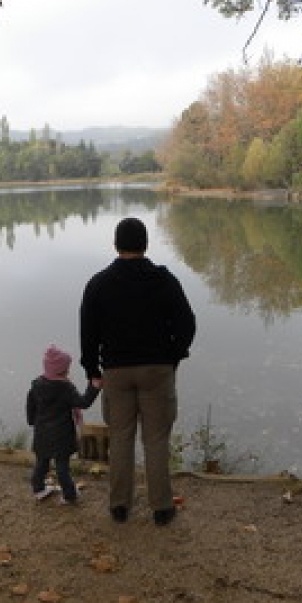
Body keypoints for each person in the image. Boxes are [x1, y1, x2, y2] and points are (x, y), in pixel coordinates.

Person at [79, 217, 196, 526]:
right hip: (157, 369)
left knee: (120, 438)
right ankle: (161, 508)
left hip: (116, 372)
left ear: (116, 245)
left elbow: (88, 334)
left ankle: (119, 506)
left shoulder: (98, 283)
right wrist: (173, 356)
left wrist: (92, 369)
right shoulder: (164, 280)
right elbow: (187, 323)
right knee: (156, 440)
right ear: (145, 244)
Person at [26, 344, 100, 504]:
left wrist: (32, 421)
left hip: (42, 432)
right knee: (62, 467)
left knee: (41, 463)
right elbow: (83, 402)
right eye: (67, 368)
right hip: (62, 434)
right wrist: (94, 387)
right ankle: (69, 495)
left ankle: (38, 489)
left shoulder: (37, 384)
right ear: (62, 370)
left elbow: (31, 406)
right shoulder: (65, 387)